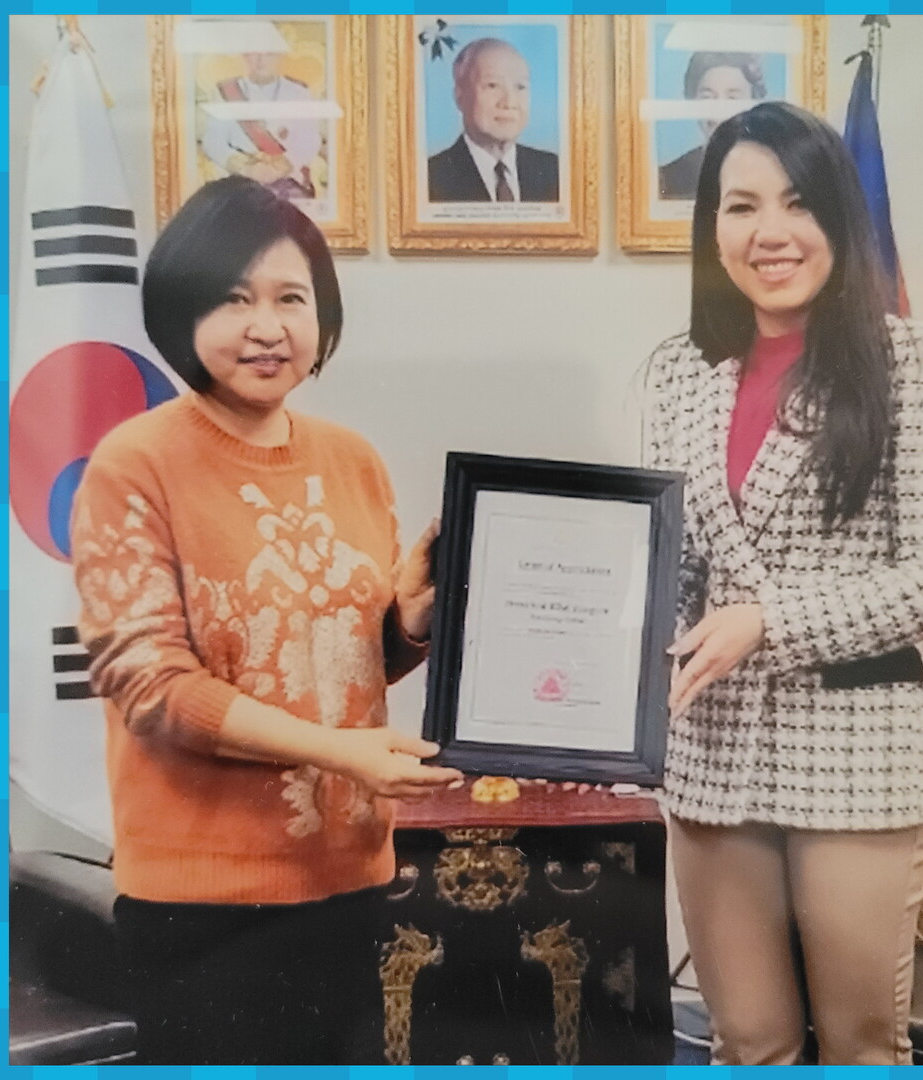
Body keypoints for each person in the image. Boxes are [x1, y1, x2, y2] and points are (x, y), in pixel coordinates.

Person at [70, 175, 463, 1065]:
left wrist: (407, 623)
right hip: (203, 906)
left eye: (292, 298)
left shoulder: (353, 460)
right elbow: (152, 688)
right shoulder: (133, 464)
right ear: (182, 310)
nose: (267, 326)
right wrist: (340, 752)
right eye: (234, 298)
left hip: (349, 877)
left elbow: (338, 664)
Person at [644, 102, 923, 1065]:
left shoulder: (913, 359)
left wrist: (769, 618)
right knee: (747, 1042)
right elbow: (677, 567)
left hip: (858, 760)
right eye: (741, 206)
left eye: (797, 203)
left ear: (838, 216)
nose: (771, 232)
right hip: (712, 760)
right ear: (712, 227)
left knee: (860, 1045)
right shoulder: (679, 371)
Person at [427, 37, 559, 203]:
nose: (509, 103)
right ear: (459, 97)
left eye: (520, 87)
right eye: (492, 85)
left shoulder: (554, 170)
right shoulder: (430, 178)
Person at [200, 51, 322, 200]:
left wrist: (282, 167)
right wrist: (246, 169)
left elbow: (310, 140)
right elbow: (213, 141)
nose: (261, 60)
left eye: (268, 54)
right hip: (239, 183)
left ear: (279, 56)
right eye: (254, 53)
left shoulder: (299, 92)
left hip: (287, 182)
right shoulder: (226, 91)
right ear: (245, 56)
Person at [658, 52, 766, 201]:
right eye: (707, 97)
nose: (719, 111)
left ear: (754, 103)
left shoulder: (773, 173)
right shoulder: (667, 178)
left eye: (732, 98)